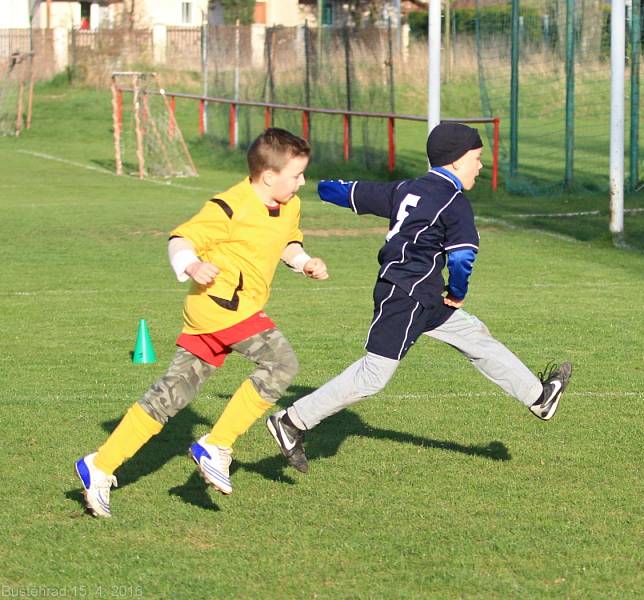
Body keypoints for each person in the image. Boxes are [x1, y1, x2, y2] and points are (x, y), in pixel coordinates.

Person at [267, 122, 571, 474]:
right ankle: (291, 422)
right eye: (477, 158)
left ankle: (539, 398)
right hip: (407, 294)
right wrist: (457, 292)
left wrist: (317, 187)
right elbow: (461, 258)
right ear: (456, 162)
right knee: (373, 376)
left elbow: (347, 192)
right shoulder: (454, 202)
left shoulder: (407, 189)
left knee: (475, 337)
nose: (481, 165)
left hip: (422, 294)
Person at [75, 128, 328, 517]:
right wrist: (191, 263)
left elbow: (287, 242)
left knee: (169, 397)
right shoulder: (228, 206)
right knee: (281, 363)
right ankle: (217, 445)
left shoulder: (288, 205)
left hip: (220, 315)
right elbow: (180, 238)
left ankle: (99, 466)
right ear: (268, 176)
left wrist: (303, 262)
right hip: (222, 308)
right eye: (296, 175)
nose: (302, 182)